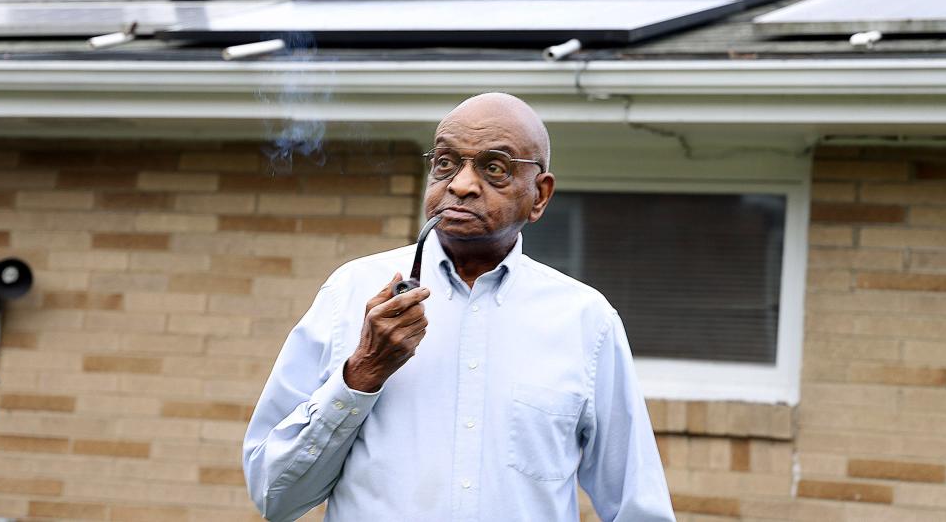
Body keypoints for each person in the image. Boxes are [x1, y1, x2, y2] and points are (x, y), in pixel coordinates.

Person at [243, 92, 674, 521]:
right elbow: (274, 493)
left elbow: (638, 507)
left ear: (539, 195)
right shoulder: (350, 293)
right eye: (446, 163)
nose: (461, 184)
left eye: (493, 167)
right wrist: (363, 372)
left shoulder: (586, 320)